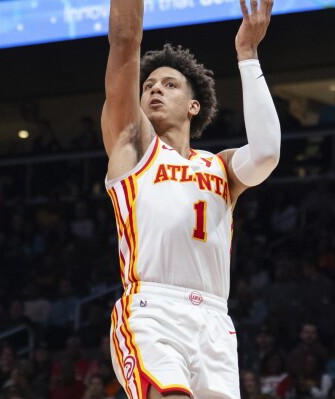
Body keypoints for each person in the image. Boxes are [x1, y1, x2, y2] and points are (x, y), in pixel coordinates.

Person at [102, 0, 280, 398]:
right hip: (153, 309)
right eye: (148, 86)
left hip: (215, 321)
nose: (153, 90)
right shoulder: (133, 146)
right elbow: (125, 41)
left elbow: (267, 154)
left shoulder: (221, 167)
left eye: (169, 85)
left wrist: (248, 55)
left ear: (193, 106)